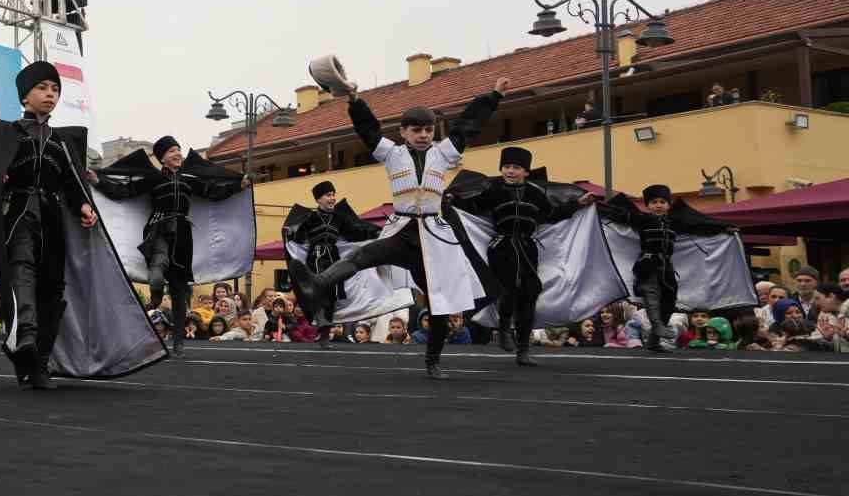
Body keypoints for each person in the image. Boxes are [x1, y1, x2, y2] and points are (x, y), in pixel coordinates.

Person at [0, 61, 159, 389]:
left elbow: (71, 182)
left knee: (53, 286)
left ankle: (39, 360)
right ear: (25, 96)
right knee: (22, 272)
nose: (50, 95)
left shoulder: (61, 142)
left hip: (52, 218)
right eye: (43, 88)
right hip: (19, 215)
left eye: (55, 90)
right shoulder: (7, 134)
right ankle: (25, 340)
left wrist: (84, 204)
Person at [303, 77, 508, 378]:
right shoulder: (391, 153)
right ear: (403, 132)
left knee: (439, 303)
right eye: (416, 130)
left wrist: (493, 96)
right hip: (402, 231)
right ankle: (318, 282)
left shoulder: (444, 152)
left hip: (434, 237)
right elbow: (367, 129)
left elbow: (468, 125)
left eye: (427, 130)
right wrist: (355, 101)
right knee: (362, 256)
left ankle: (432, 360)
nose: (423, 135)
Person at [90, 135, 251, 357]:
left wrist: (237, 186)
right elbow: (123, 192)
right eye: (172, 151)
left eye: (179, 149)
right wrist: (98, 181)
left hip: (183, 236)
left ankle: (178, 342)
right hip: (158, 230)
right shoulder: (153, 179)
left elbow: (212, 192)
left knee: (179, 291)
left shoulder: (188, 179)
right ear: (162, 157)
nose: (178, 154)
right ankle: (155, 298)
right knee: (157, 274)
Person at [447, 147, 597, 367]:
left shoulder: (535, 193)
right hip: (501, 246)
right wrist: (452, 200)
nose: (510, 171)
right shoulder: (493, 190)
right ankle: (504, 327)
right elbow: (473, 207)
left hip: (527, 248)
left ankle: (523, 349)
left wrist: (578, 204)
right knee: (508, 289)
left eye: (516, 168)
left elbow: (553, 215)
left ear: (526, 172)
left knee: (530, 294)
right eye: (506, 167)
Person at [598, 185, 734, 354]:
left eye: (662, 202)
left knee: (669, 302)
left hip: (666, 269)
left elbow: (699, 226)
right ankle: (657, 326)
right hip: (647, 265)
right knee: (652, 297)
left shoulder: (675, 223)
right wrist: (596, 206)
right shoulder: (643, 220)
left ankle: (654, 341)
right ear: (647, 205)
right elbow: (620, 214)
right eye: (654, 202)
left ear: (668, 205)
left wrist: (723, 228)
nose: (658, 205)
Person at [282, 180, 391, 347]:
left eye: (333, 194)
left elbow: (354, 232)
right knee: (317, 289)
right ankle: (320, 319)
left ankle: (324, 335)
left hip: (333, 258)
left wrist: (374, 232)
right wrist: (291, 231)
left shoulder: (339, 218)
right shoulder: (310, 217)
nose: (332, 198)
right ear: (318, 199)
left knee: (332, 296)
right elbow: (298, 235)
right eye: (328, 195)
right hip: (316, 257)